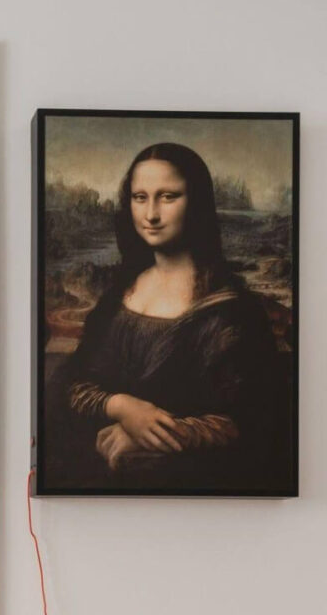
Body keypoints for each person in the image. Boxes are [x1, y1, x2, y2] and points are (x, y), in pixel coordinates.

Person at [51, 141, 289, 493]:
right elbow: (73, 383)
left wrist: (150, 435)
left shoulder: (232, 311)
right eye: (140, 197)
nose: (151, 215)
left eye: (168, 196)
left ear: (197, 204)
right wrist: (121, 407)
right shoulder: (119, 295)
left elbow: (249, 422)